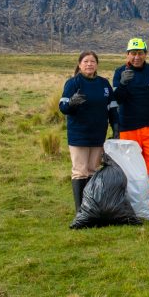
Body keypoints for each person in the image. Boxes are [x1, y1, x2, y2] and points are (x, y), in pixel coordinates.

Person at [112, 38, 149, 214]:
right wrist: (122, 83)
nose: (137, 57)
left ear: (146, 53)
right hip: (127, 128)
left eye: (140, 53)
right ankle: (130, 202)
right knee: (129, 168)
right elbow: (116, 100)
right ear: (127, 54)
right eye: (133, 53)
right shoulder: (120, 72)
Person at [59, 51, 118, 216]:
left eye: (92, 61)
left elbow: (112, 108)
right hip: (79, 134)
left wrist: (116, 126)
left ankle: (91, 207)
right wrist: (71, 103)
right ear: (79, 64)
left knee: (93, 170)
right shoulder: (72, 83)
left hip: (98, 134)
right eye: (86, 61)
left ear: (97, 64)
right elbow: (63, 108)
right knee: (80, 171)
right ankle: (80, 211)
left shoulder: (104, 84)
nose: (89, 64)